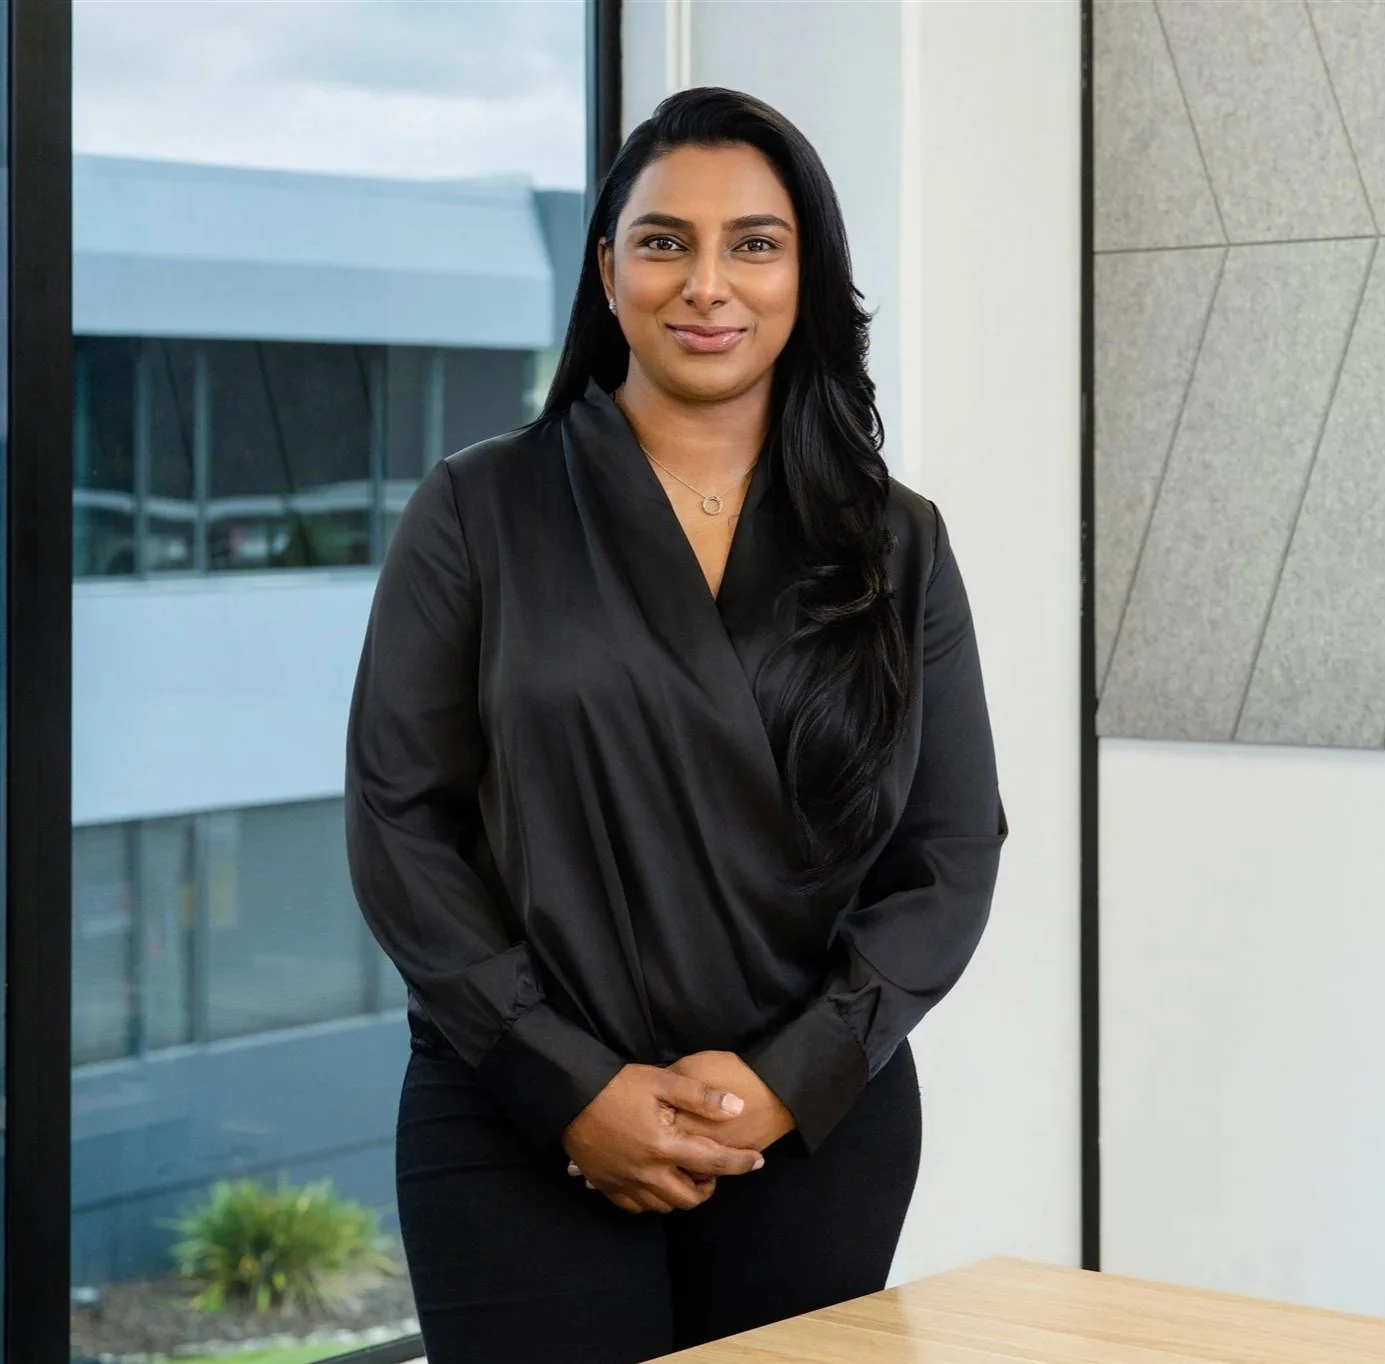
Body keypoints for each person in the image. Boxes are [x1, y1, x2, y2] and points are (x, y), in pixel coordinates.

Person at [344, 86, 1007, 1364]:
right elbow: (399, 822)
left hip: (810, 1121)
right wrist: (567, 1084)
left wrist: (778, 1084)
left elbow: (950, 854)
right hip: (514, 1118)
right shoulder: (477, 509)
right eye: (664, 242)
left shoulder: (895, 540)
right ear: (607, 269)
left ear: (806, 273)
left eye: (754, 243)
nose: (708, 283)